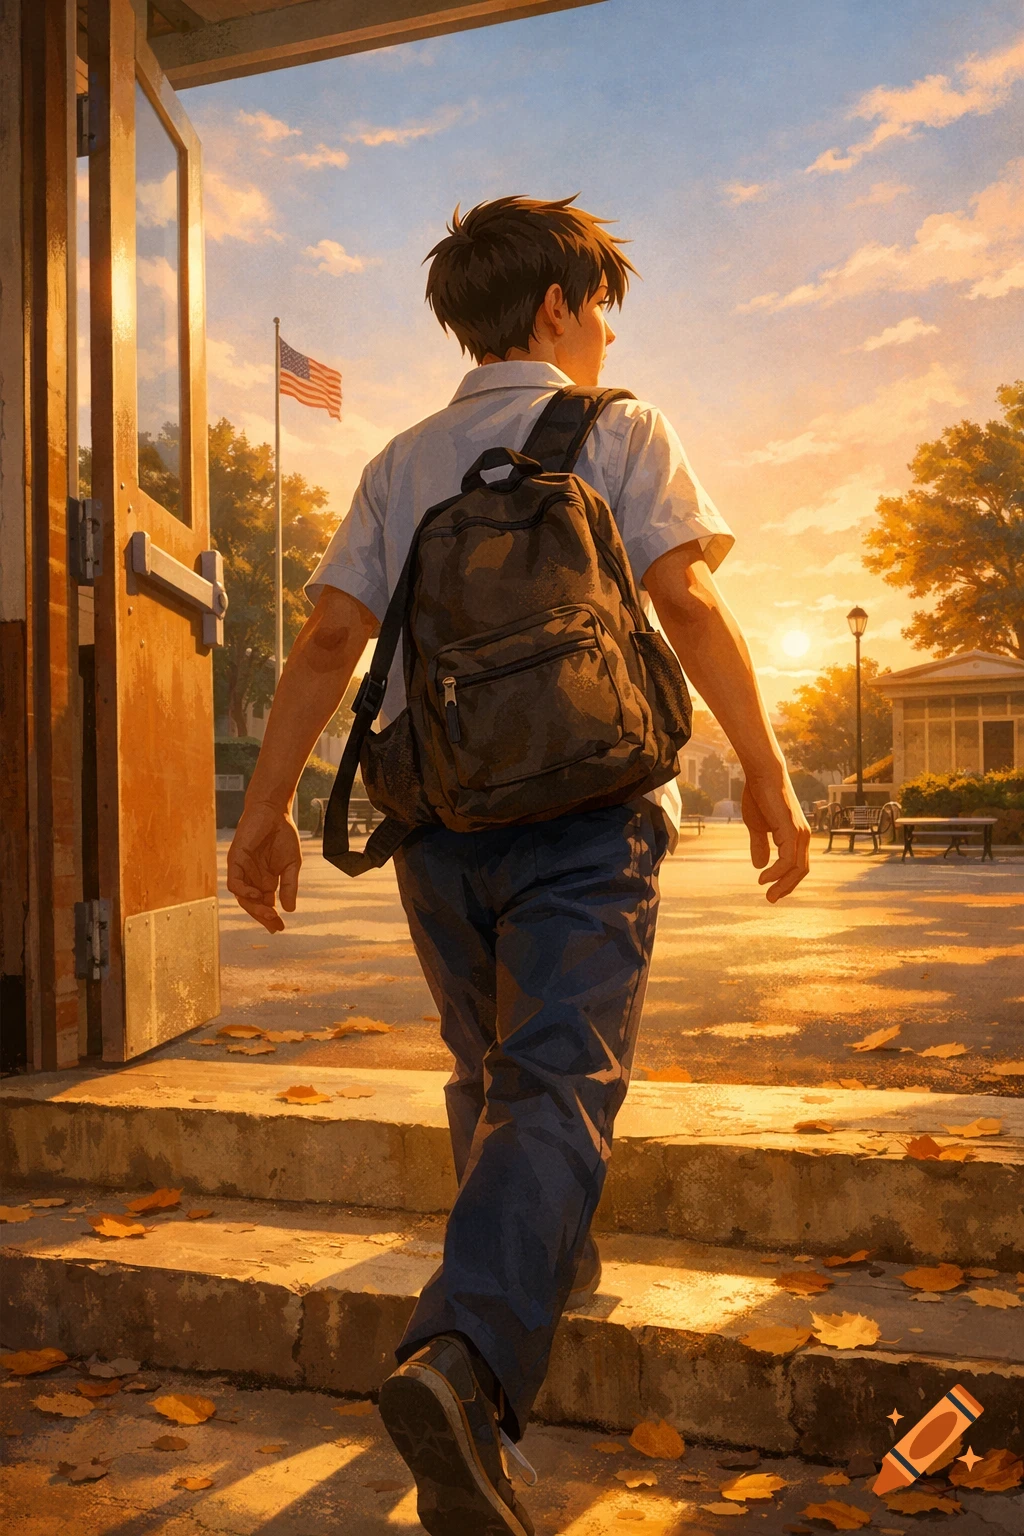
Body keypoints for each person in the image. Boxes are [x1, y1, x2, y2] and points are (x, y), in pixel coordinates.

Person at [227, 195, 810, 1536]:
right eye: (599, 305)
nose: (606, 331)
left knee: (492, 1072)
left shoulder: (400, 461)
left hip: (439, 826)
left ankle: (535, 1266)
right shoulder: (621, 431)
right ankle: (466, 1364)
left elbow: (327, 641)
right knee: (559, 1079)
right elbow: (690, 600)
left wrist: (263, 816)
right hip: (590, 814)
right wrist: (766, 774)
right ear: (557, 305)